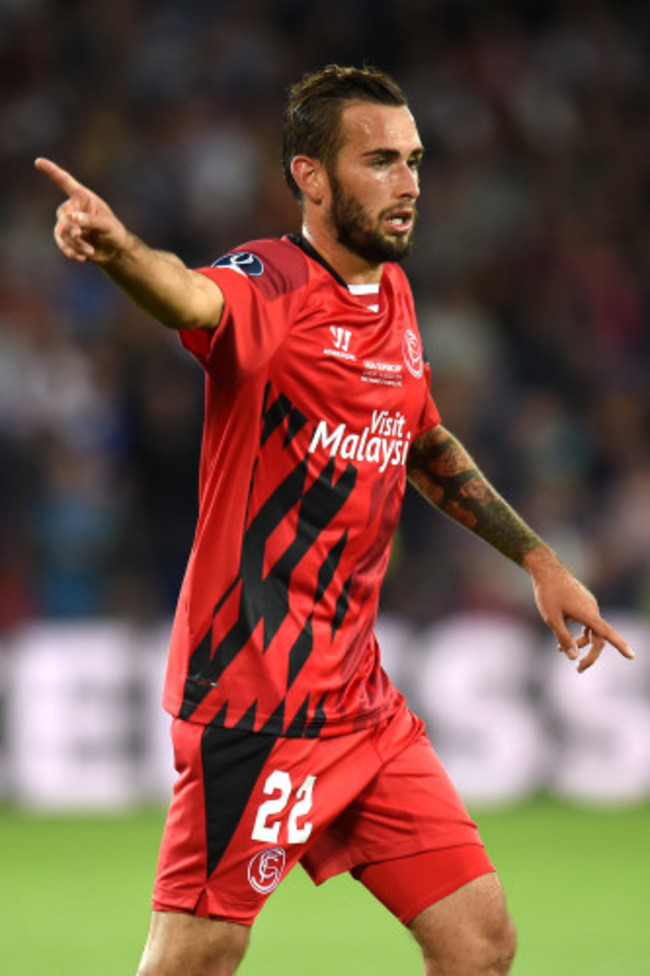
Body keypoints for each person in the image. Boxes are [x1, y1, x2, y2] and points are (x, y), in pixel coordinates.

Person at [36, 64, 633, 976]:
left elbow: (423, 440)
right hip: (254, 701)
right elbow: (189, 298)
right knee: (195, 961)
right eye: (381, 161)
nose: (409, 183)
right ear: (312, 177)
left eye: (415, 161)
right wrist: (120, 251)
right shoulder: (269, 285)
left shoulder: (391, 295)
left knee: (480, 944)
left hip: (359, 702)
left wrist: (539, 559)